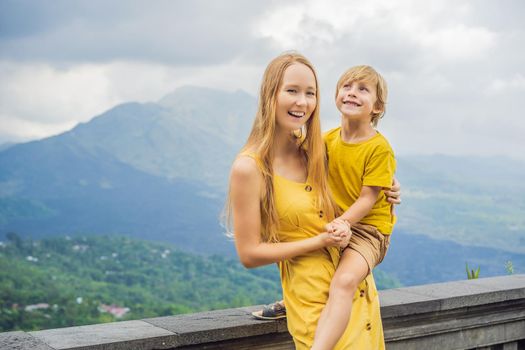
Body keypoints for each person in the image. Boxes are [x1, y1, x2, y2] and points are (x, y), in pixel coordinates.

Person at [227, 52, 396, 349]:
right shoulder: (250, 168)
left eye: (310, 93)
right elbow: (249, 254)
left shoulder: (315, 151)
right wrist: (320, 242)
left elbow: (359, 179)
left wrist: (389, 186)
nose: (302, 102)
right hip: (315, 315)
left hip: (360, 302)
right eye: (291, 91)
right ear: (270, 94)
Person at [311, 65, 396, 350]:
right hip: (337, 223)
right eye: (347, 86)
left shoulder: (378, 148)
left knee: (344, 282)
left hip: (369, 231)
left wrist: (344, 222)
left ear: (377, 106)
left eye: (363, 89)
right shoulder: (328, 139)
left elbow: (367, 199)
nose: (352, 93)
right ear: (336, 95)